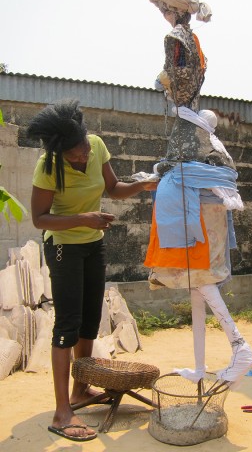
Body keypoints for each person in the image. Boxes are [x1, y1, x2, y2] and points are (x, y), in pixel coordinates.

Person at [146, 0, 252, 390]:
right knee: (196, 281)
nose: (159, 12)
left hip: (192, 175)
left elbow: (176, 89)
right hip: (187, 165)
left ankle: (240, 345)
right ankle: (198, 365)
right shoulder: (192, 42)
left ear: (173, 5)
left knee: (201, 275)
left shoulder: (177, 40)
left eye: (161, 4)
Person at [27, 98, 157, 442]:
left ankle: (79, 391)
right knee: (67, 324)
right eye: (76, 155)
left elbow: (113, 188)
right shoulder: (47, 165)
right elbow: (39, 218)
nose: (83, 156)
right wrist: (84, 218)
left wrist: (143, 185)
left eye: (84, 148)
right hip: (62, 248)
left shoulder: (96, 145)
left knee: (88, 320)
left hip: (92, 244)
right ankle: (61, 411)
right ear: (60, 153)